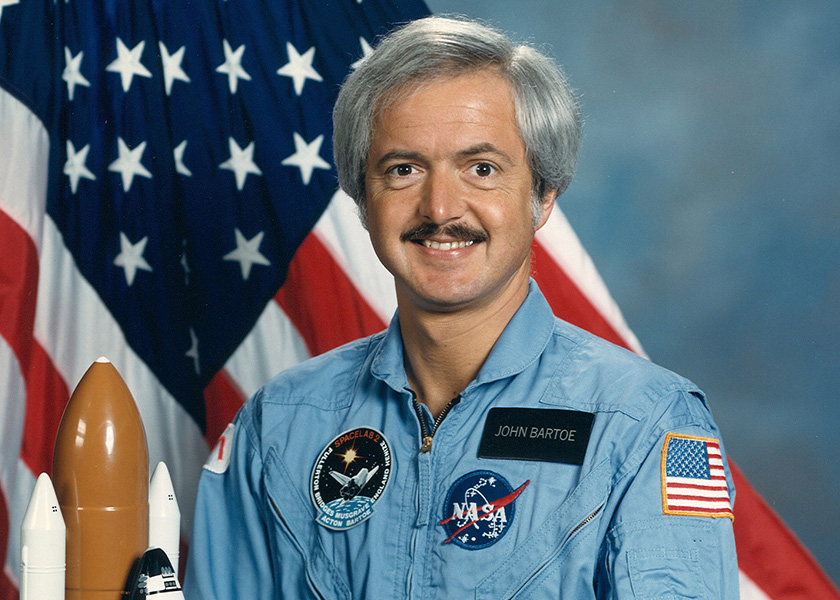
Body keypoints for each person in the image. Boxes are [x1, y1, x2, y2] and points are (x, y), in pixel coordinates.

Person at [184, 16, 739, 599]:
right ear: (361, 198)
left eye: (482, 169)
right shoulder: (280, 422)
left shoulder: (645, 423)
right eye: (403, 170)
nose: (441, 207)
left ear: (542, 196)